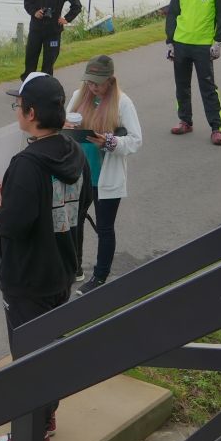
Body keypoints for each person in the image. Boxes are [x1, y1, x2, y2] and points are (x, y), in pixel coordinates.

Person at [0, 72, 89, 441]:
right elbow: (83, 203)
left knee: (28, 357)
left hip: (28, 277)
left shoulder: (27, 164)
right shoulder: (74, 153)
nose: (17, 111)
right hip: (62, 266)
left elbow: (12, 225)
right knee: (50, 348)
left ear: (31, 113)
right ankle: (47, 414)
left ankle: (32, 435)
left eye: (19, 105)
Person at [66, 55, 143, 294]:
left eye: (97, 83)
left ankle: (99, 277)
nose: (92, 87)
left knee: (105, 227)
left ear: (110, 80)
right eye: (89, 81)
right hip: (80, 174)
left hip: (106, 176)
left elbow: (135, 140)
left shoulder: (123, 103)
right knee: (74, 222)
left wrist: (109, 142)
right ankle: (75, 268)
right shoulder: (78, 96)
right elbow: (64, 123)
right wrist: (66, 127)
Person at [164, 0, 221, 145]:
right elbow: (172, 15)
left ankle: (216, 128)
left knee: (208, 88)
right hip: (181, 44)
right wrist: (170, 41)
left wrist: (218, 41)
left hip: (203, 46)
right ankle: (185, 121)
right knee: (182, 86)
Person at [23, 0, 82, 78]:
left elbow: (77, 6)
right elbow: (27, 2)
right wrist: (34, 12)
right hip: (36, 29)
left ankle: (46, 87)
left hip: (53, 31)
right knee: (30, 60)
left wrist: (66, 19)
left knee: (48, 63)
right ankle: (28, 86)